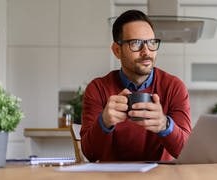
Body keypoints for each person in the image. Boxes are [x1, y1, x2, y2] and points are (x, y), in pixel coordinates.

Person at [80, 9, 191, 162]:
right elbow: (90, 154)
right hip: (112, 176)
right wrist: (104, 122)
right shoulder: (98, 89)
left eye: (151, 42)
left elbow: (186, 152)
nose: (146, 51)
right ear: (117, 50)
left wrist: (165, 125)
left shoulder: (174, 87)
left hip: (160, 176)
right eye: (136, 43)